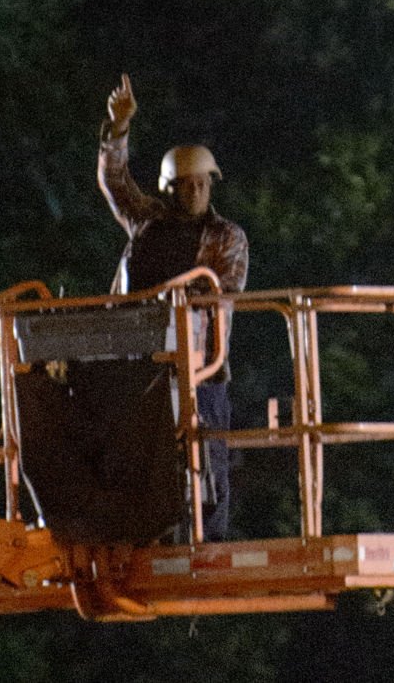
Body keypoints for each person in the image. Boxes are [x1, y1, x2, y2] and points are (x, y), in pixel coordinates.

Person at [98, 73, 248, 540]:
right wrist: (118, 129)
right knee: (140, 461)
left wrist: (177, 302)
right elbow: (115, 182)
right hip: (138, 363)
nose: (198, 191)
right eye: (188, 184)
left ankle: (211, 543)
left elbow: (221, 292)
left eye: (203, 183)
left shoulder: (226, 237)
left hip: (199, 368)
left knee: (207, 462)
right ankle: (141, 535)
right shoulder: (147, 222)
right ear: (170, 188)